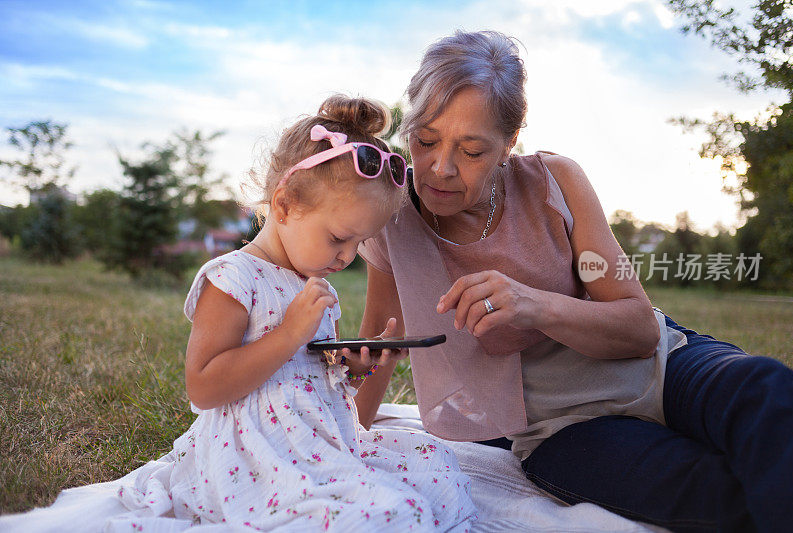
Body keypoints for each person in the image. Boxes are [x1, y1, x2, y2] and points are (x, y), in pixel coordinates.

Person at [353, 30, 793, 533]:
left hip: (665, 366)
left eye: (472, 150)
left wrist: (535, 306)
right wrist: (342, 444)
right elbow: (377, 345)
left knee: (767, 390)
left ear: (508, 144)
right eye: (425, 140)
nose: (440, 167)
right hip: (561, 430)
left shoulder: (556, 182)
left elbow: (639, 327)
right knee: (710, 487)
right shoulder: (393, 223)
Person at [3, 96, 477, 532]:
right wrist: (291, 332)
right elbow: (203, 386)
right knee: (383, 515)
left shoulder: (314, 285)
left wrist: (359, 367)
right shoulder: (233, 278)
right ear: (285, 205)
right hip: (255, 456)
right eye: (339, 238)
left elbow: (324, 396)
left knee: (436, 473)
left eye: (359, 243)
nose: (348, 256)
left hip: (317, 445)